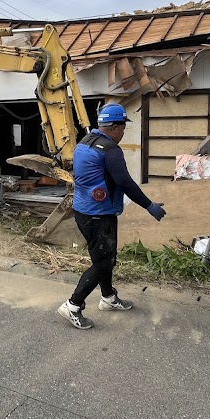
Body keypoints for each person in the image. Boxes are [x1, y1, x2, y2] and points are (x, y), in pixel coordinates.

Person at [58, 103, 166, 330]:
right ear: (115, 127)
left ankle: (108, 297)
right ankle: (73, 305)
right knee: (104, 261)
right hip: (99, 215)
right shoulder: (110, 150)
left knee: (104, 257)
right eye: (123, 127)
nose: (124, 131)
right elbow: (125, 182)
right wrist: (149, 206)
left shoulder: (83, 144)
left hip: (83, 211)